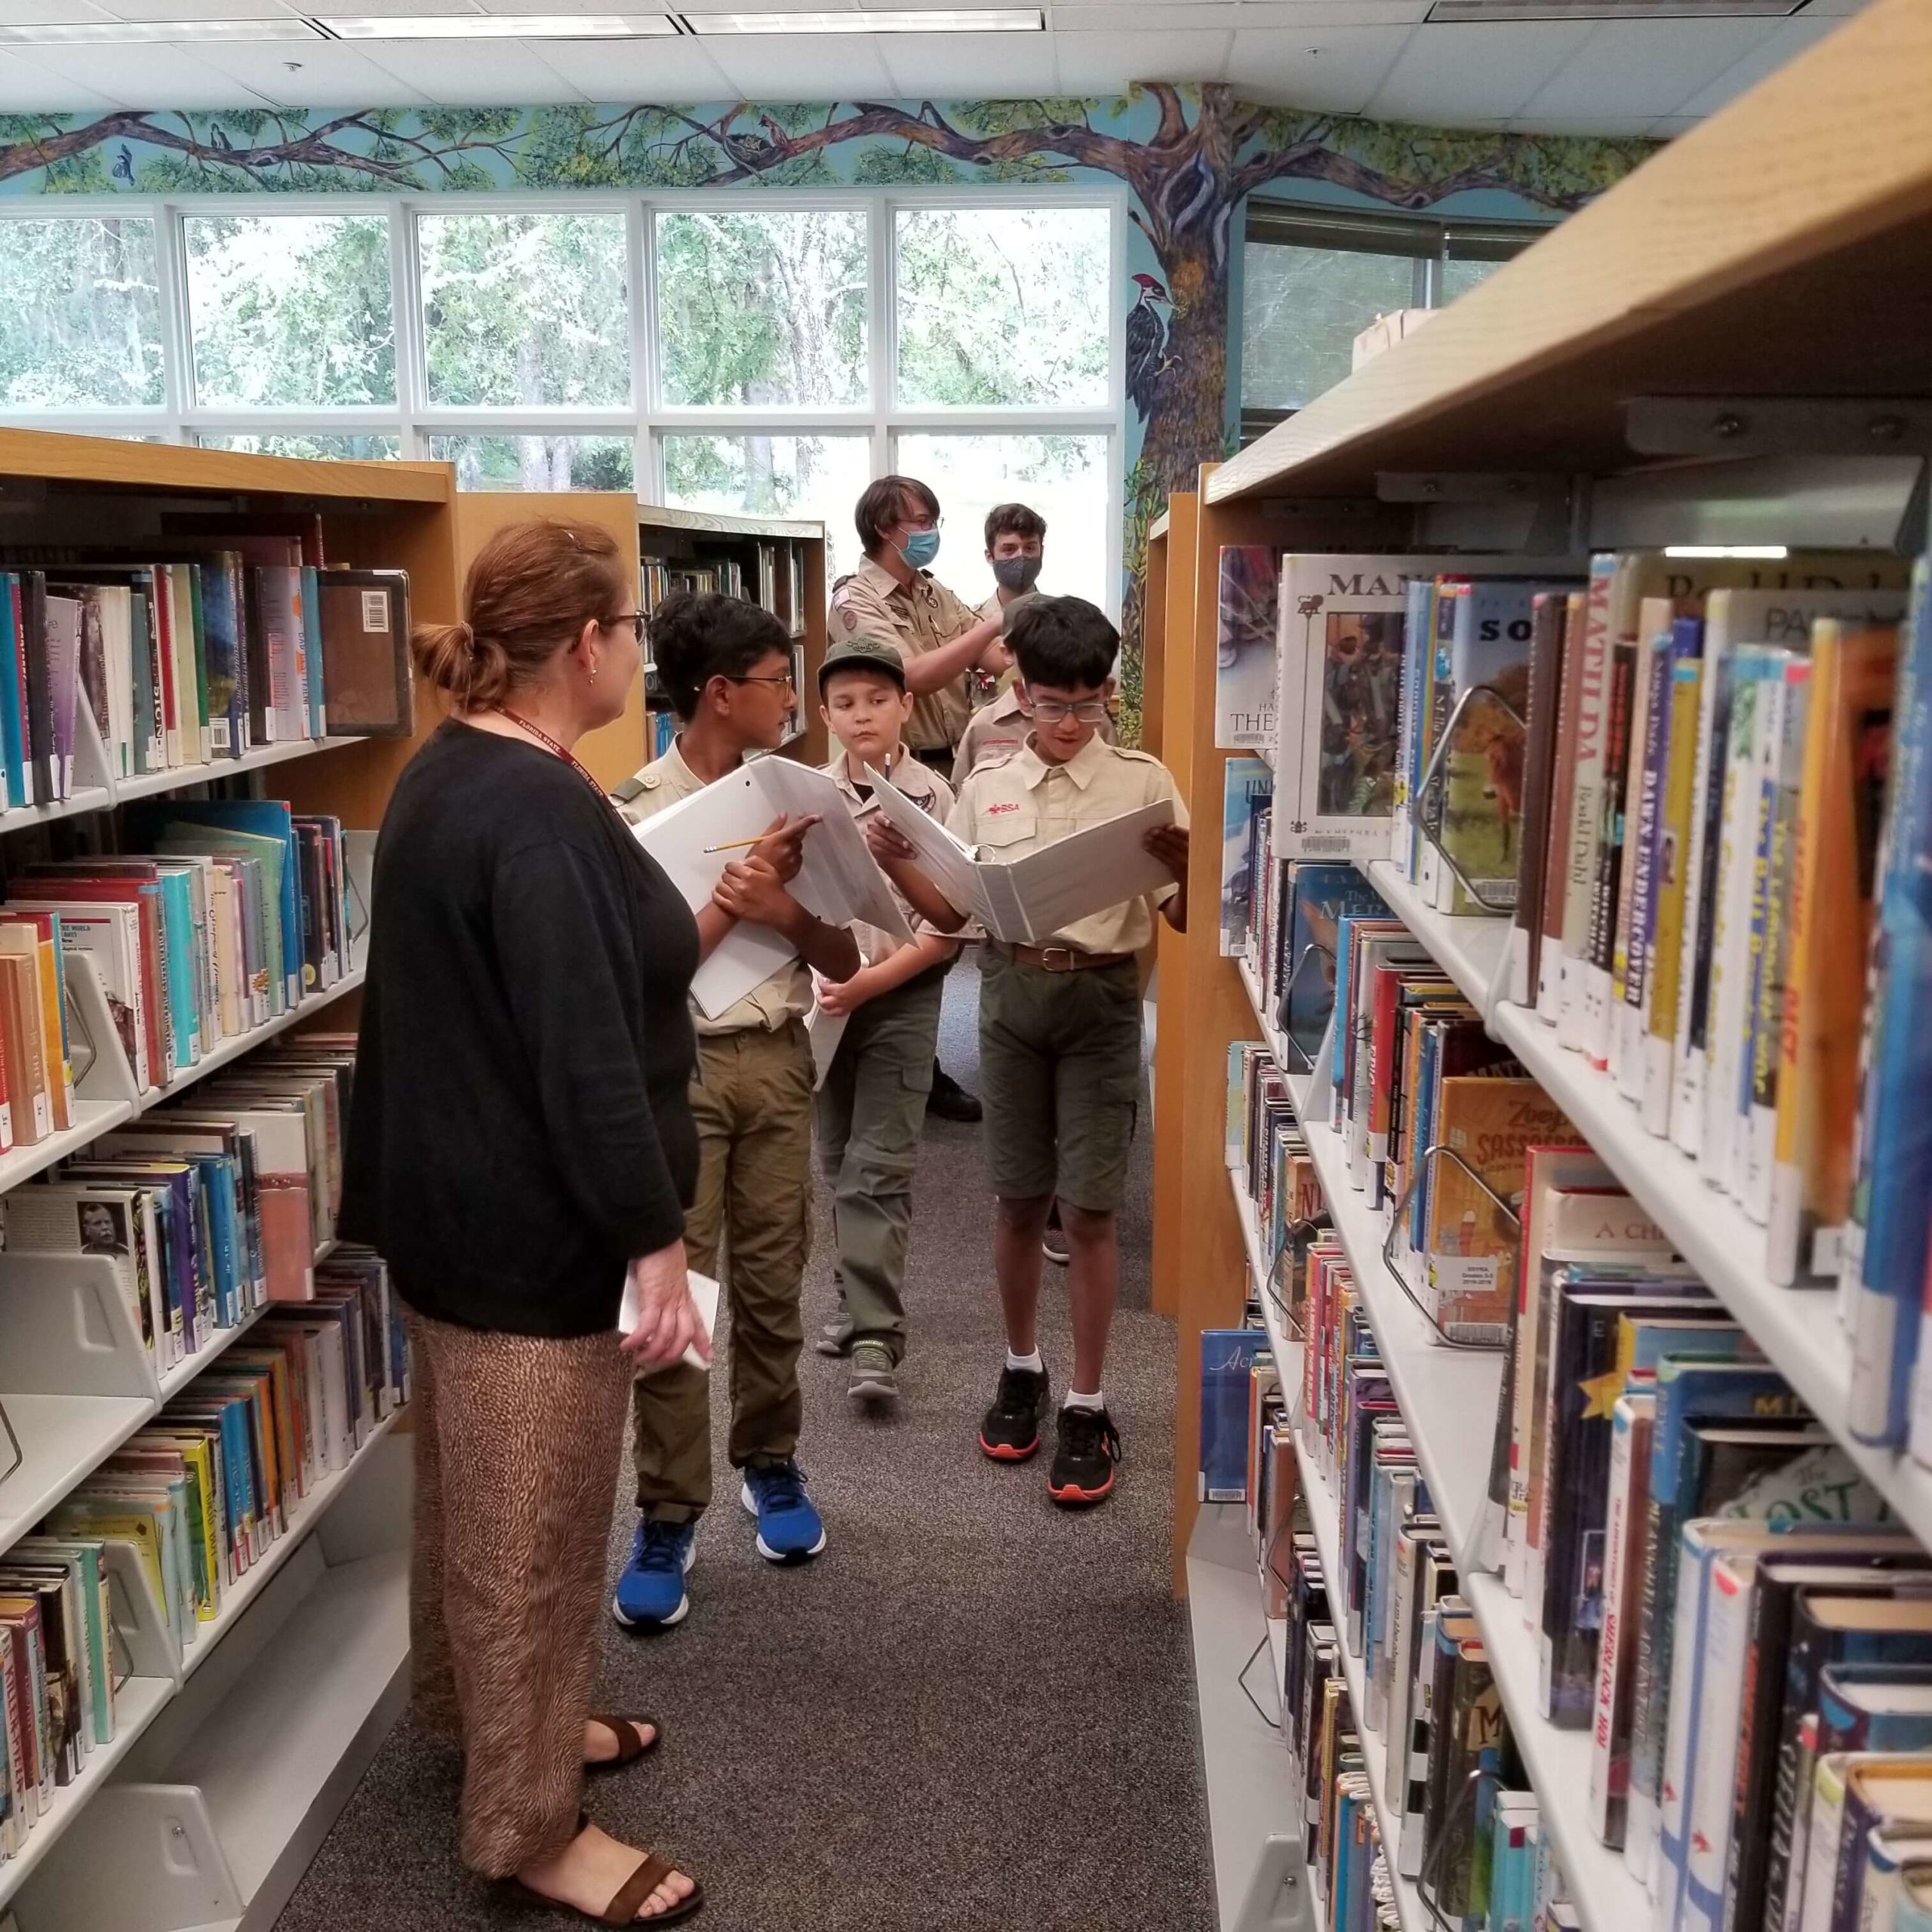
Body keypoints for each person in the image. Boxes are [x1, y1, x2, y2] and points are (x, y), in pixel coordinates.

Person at [340, 518, 705, 1925]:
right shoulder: (540, 812)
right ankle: (529, 1825)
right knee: (534, 1538)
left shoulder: (457, 767)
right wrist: (653, 1235)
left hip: (450, 1215)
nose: (642, 651)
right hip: (528, 1240)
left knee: (471, 1516)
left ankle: (492, 1726)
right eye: (632, 627)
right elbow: (586, 1058)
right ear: (587, 644)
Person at [867, 594, 1190, 1508]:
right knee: (1015, 1201)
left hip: (1100, 998)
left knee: (1087, 1212)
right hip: (1009, 995)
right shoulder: (987, 781)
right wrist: (898, 858)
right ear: (1020, 690)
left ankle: (1088, 1402)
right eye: (1051, 704)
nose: (1068, 723)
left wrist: (1192, 871)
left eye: (1088, 705)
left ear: (1108, 694)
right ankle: (1022, 1368)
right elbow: (951, 915)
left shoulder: (1144, 782)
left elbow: (1186, 919)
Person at [611, 593, 860, 1630]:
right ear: (720, 694)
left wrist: (784, 909)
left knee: (771, 1276)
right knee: (675, 1300)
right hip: (677, 1073)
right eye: (774, 682)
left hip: (776, 1063)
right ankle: (668, 1511)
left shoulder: (801, 799)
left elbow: (844, 957)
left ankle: (773, 1461)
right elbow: (629, 977)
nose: (792, 700)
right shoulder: (629, 813)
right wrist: (731, 906)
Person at [806, 635, 961, 1401]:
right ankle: (850, 1298)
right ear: (824, 713)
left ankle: (875, 1335)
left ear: (906, 705)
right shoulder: (807, 793)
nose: (861, 714)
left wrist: (869, 984)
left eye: (877, 699)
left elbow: (951, 924)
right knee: (835, 1160)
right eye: (844, 703)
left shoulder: (935, 797)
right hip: (826, 1000)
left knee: (878, 1166)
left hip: (899, 995)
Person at [830, 475, 1011, 1127]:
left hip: (942, 768)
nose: (932, 528)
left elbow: (989, 649)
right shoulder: (856, 599)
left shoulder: (931, 591)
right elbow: (911, 674)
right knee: (898, 912)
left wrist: (1026, 641)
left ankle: (918, 1057)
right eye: (922, 518)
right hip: (888, 766)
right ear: (886, 527)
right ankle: (904, 1063)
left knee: (945, 916)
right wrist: (991, 623)